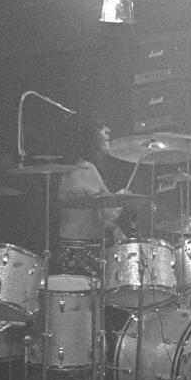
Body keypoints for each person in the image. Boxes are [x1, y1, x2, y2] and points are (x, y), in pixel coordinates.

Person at [55, 111, 131, 275]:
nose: (108, 130)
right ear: (87, 136)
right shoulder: (84, 169)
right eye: (100, 127)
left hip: (71, 253)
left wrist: (115, 229)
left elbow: (90, 218)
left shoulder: (74, 168)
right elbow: (108, 213)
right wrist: (122, 198)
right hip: (83, 255)